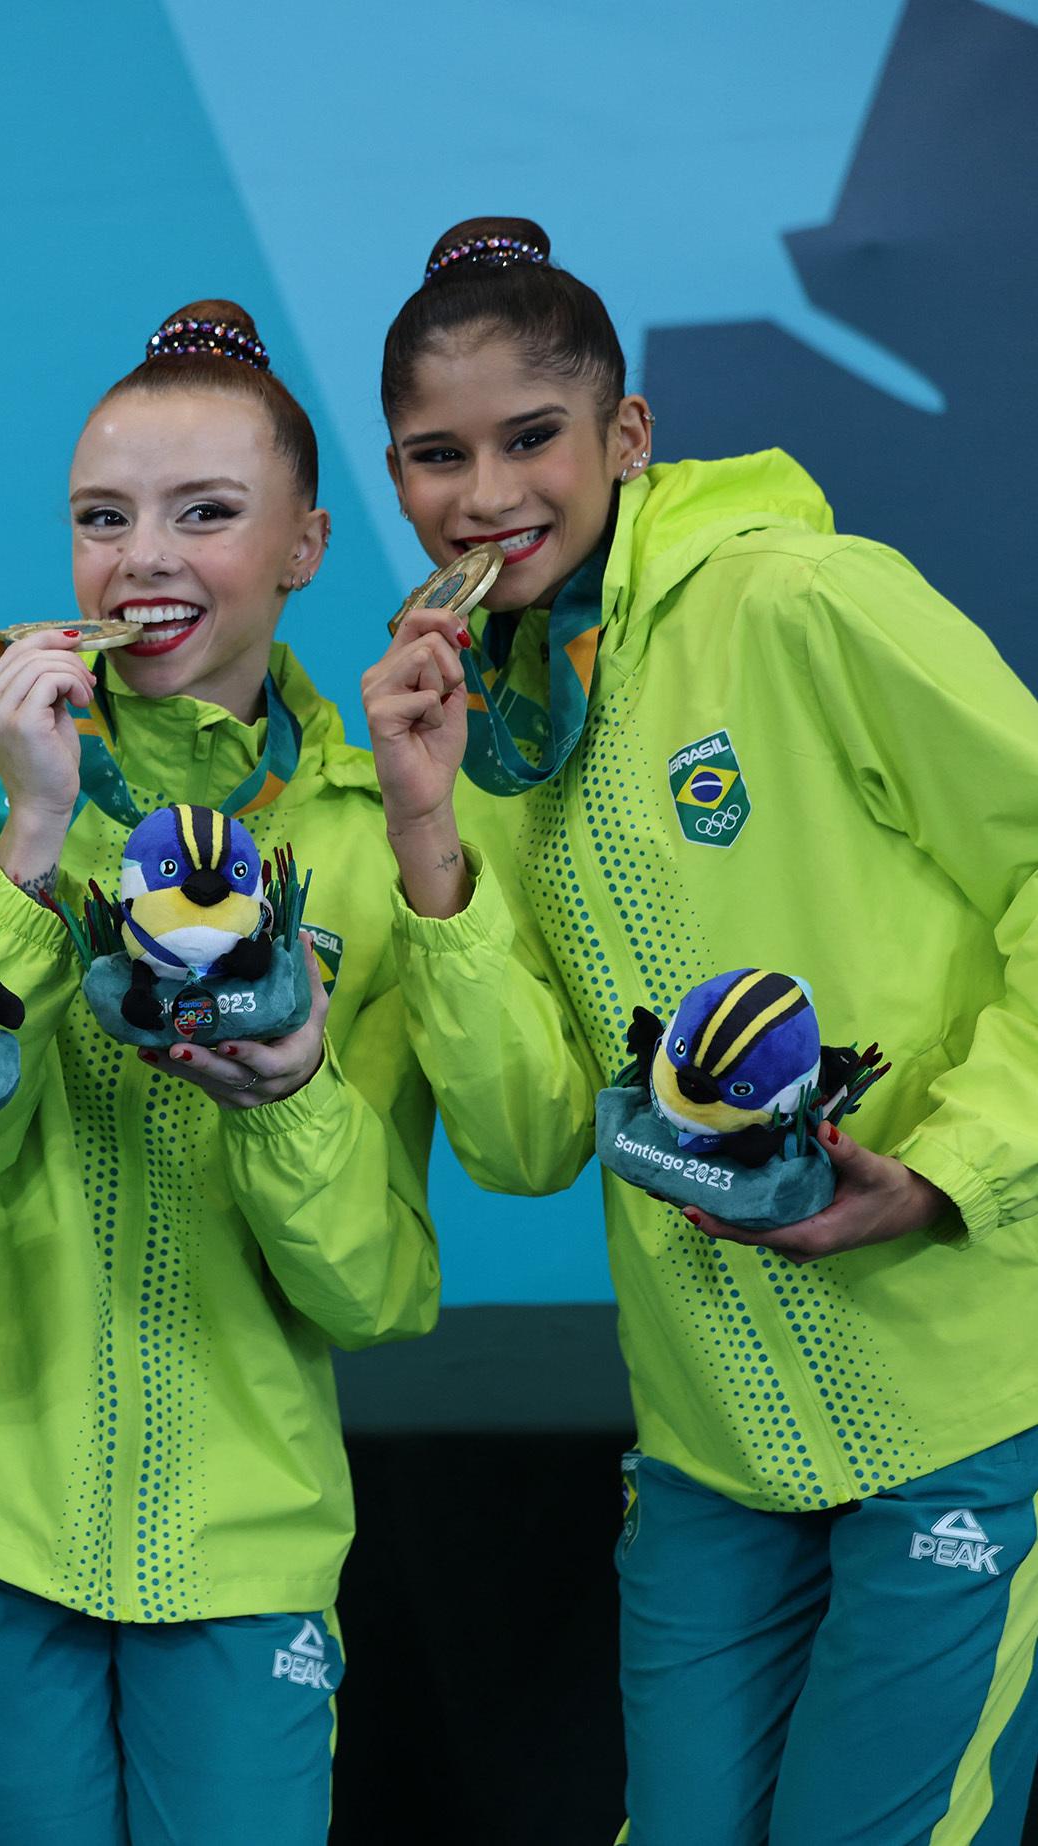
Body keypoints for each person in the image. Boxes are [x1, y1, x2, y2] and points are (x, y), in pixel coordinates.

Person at [364, 215, 1038, 1844]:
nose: (486, 495)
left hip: (961, 1407)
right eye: (436, 457)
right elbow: (527, 1143)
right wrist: (431, 839)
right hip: (710, 1453)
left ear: (627, 435)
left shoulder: (802, 600)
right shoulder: (491, 734)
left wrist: (951, 1165)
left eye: (532, 438)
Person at [0, 301, 440, 1843]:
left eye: (204, 514)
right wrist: (28, 841)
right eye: (104, 518)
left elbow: (377, 1292)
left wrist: (290, 1101)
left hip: (246, 1533)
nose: (141, 559)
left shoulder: (367, 829)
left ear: (304, 543)